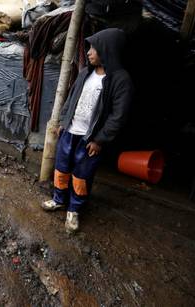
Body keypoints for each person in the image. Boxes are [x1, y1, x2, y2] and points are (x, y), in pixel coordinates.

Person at [41, 28, 134, 233]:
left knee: (81, 175)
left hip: (89, 139)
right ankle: (58, 199)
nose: (90, 52)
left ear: (108, 50)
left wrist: (100, 140)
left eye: (95, 48)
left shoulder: (120, 80)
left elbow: (118, 116)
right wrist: (64, 122)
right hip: (70, 132)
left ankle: (74, 209)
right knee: (62, 168)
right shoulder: (86, 73)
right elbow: (71, 97)